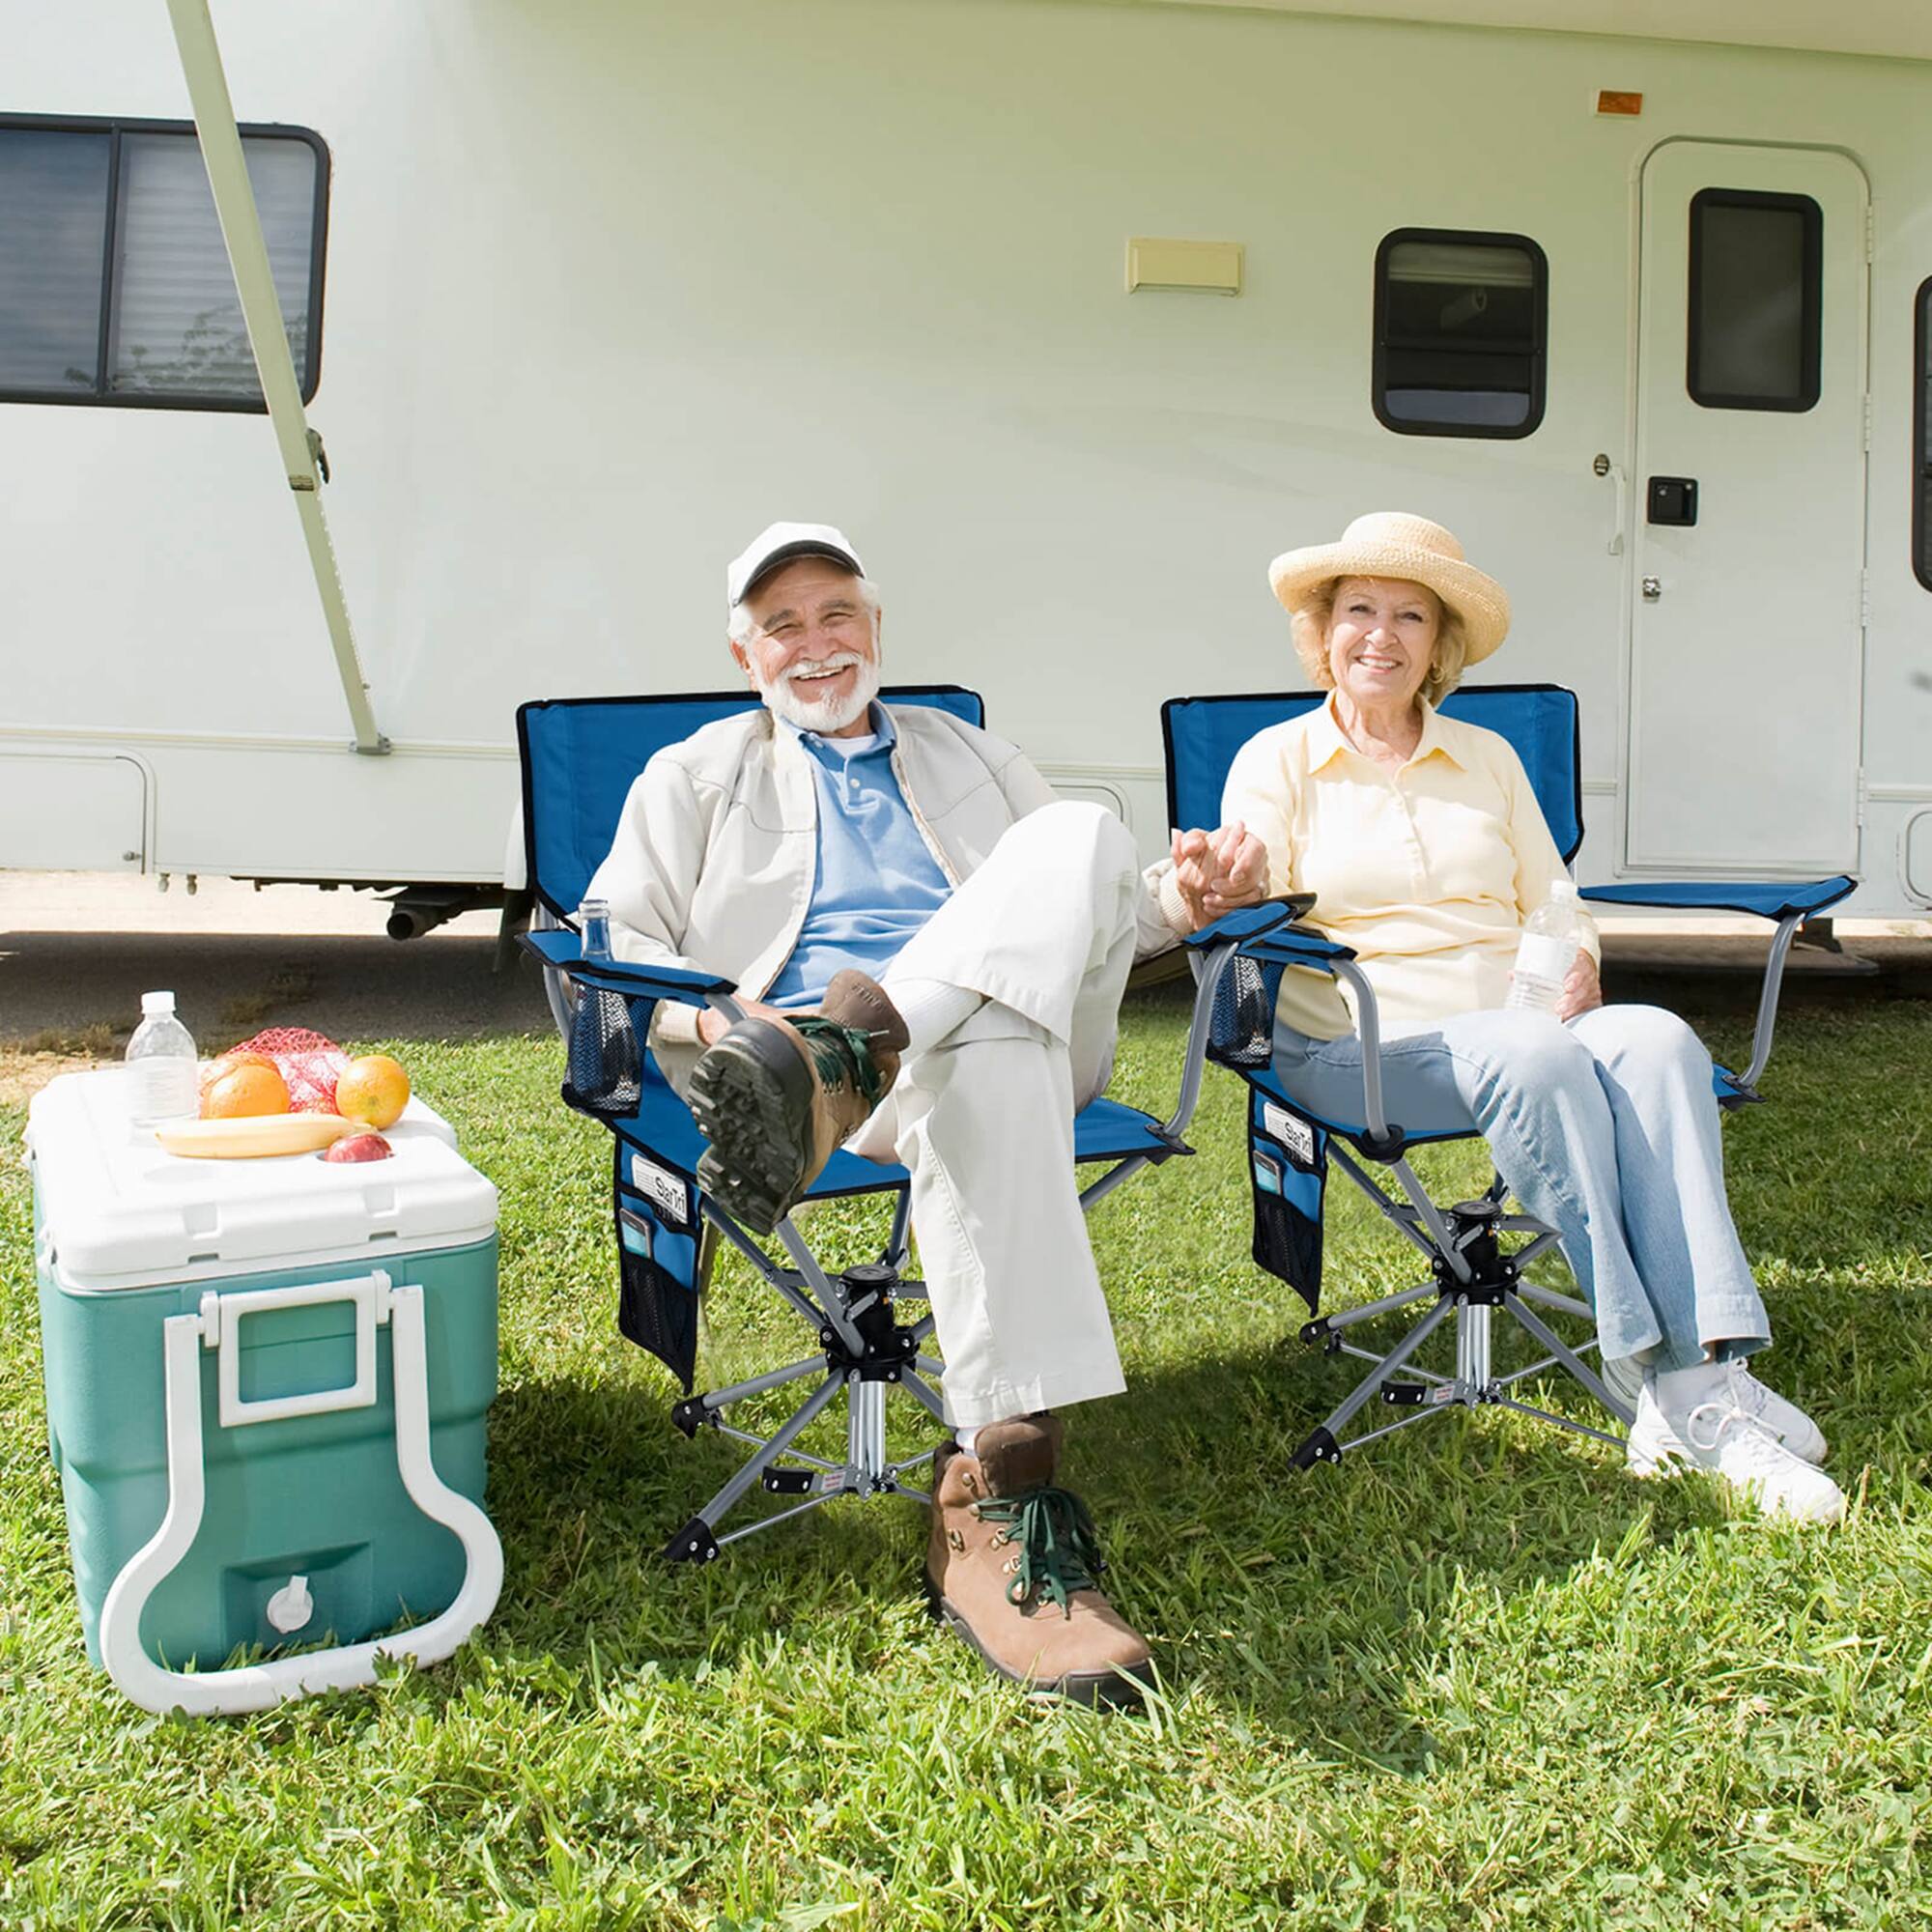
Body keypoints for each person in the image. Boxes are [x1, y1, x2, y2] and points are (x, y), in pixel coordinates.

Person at [585, 521, 1225, 1700]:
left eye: (837, 616)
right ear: (745, 657)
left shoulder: (968, 753)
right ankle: (999, 1497)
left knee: (1079, 830)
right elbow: (609, 940)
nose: (815, 645)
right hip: (844, 1084)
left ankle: (850, 1042)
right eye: (783, 626)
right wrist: (719, 1023)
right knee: (981, 1055)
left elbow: (1086, 918)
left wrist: (1180, 903)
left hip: (881, 1071)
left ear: (876, 630)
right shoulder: (691, 775)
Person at [1178, 511, 1844, 1524]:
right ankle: (1661, 1381)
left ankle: (1698, 1381)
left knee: (1657, 1037)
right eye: (1358, 609)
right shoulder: (1277, 759)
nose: (1380, 635)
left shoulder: (1485, 756)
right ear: (1322, 629)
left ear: (1437, 641)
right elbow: (1251, 876)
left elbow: (1552, 896)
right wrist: (1223, 886)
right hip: (1354, 1043)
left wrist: (1577, 959)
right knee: (1531, 1050)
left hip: (1526, 1019)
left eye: (1409, 614)